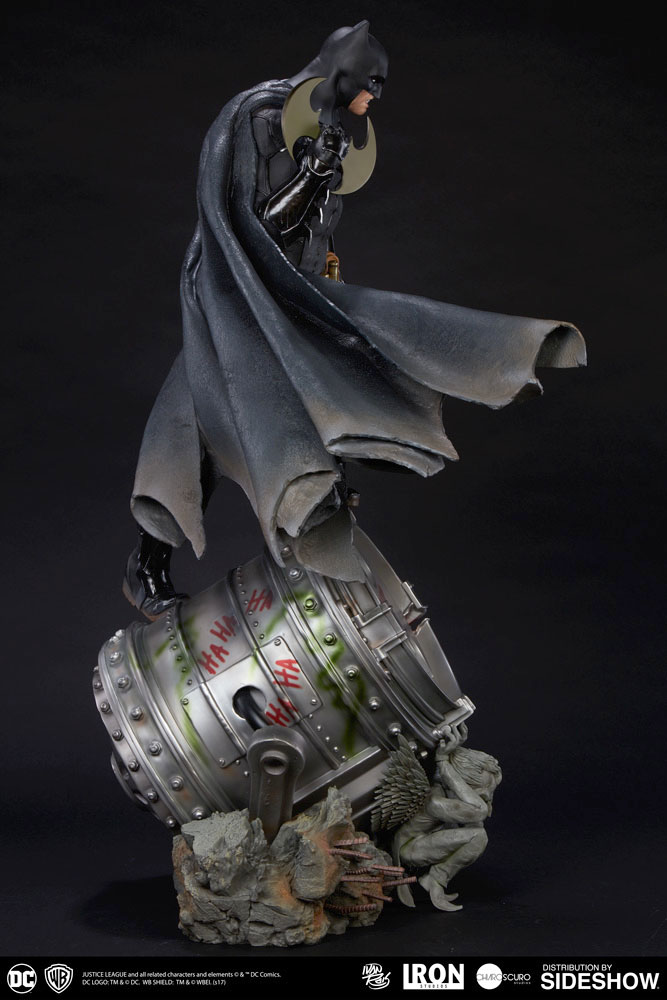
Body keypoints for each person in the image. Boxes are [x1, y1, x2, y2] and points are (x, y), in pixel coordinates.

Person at [124, 21, 586, 619]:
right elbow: (257, 227)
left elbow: (315, 236)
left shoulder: (326, 127)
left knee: (329, 400)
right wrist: (313, 175)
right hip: (240, 299)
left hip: (295, 298)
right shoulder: (263, 116)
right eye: (372, 81)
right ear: (343, 71)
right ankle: (149, 564)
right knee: (197, 427)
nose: (376, 94)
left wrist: (328, 269)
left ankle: (327, 553)